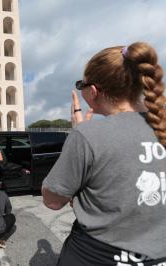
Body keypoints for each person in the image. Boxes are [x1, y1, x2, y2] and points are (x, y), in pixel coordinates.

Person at [42, 42, 166, 265]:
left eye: (82, 84)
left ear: (94, 90)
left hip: (96, 256)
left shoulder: (88, 135)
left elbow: (52, 200)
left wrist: (80, 136)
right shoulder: (160, 126)